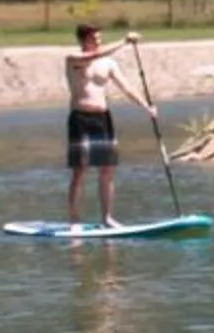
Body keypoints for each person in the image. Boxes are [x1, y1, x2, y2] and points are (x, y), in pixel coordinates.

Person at [63, 23, 157, 229]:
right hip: (81, 118)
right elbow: (91, 57)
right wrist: (124, 41)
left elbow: (127, 88)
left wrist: (147, 107)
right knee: (80, 170)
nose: (98, 42)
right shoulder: (73, 59)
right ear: (83, 40)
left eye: (99, 38)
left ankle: (107, 218)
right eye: (94, 39)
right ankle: (74, 220)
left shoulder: (108, 63)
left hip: (102, 119)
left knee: (107, 170)